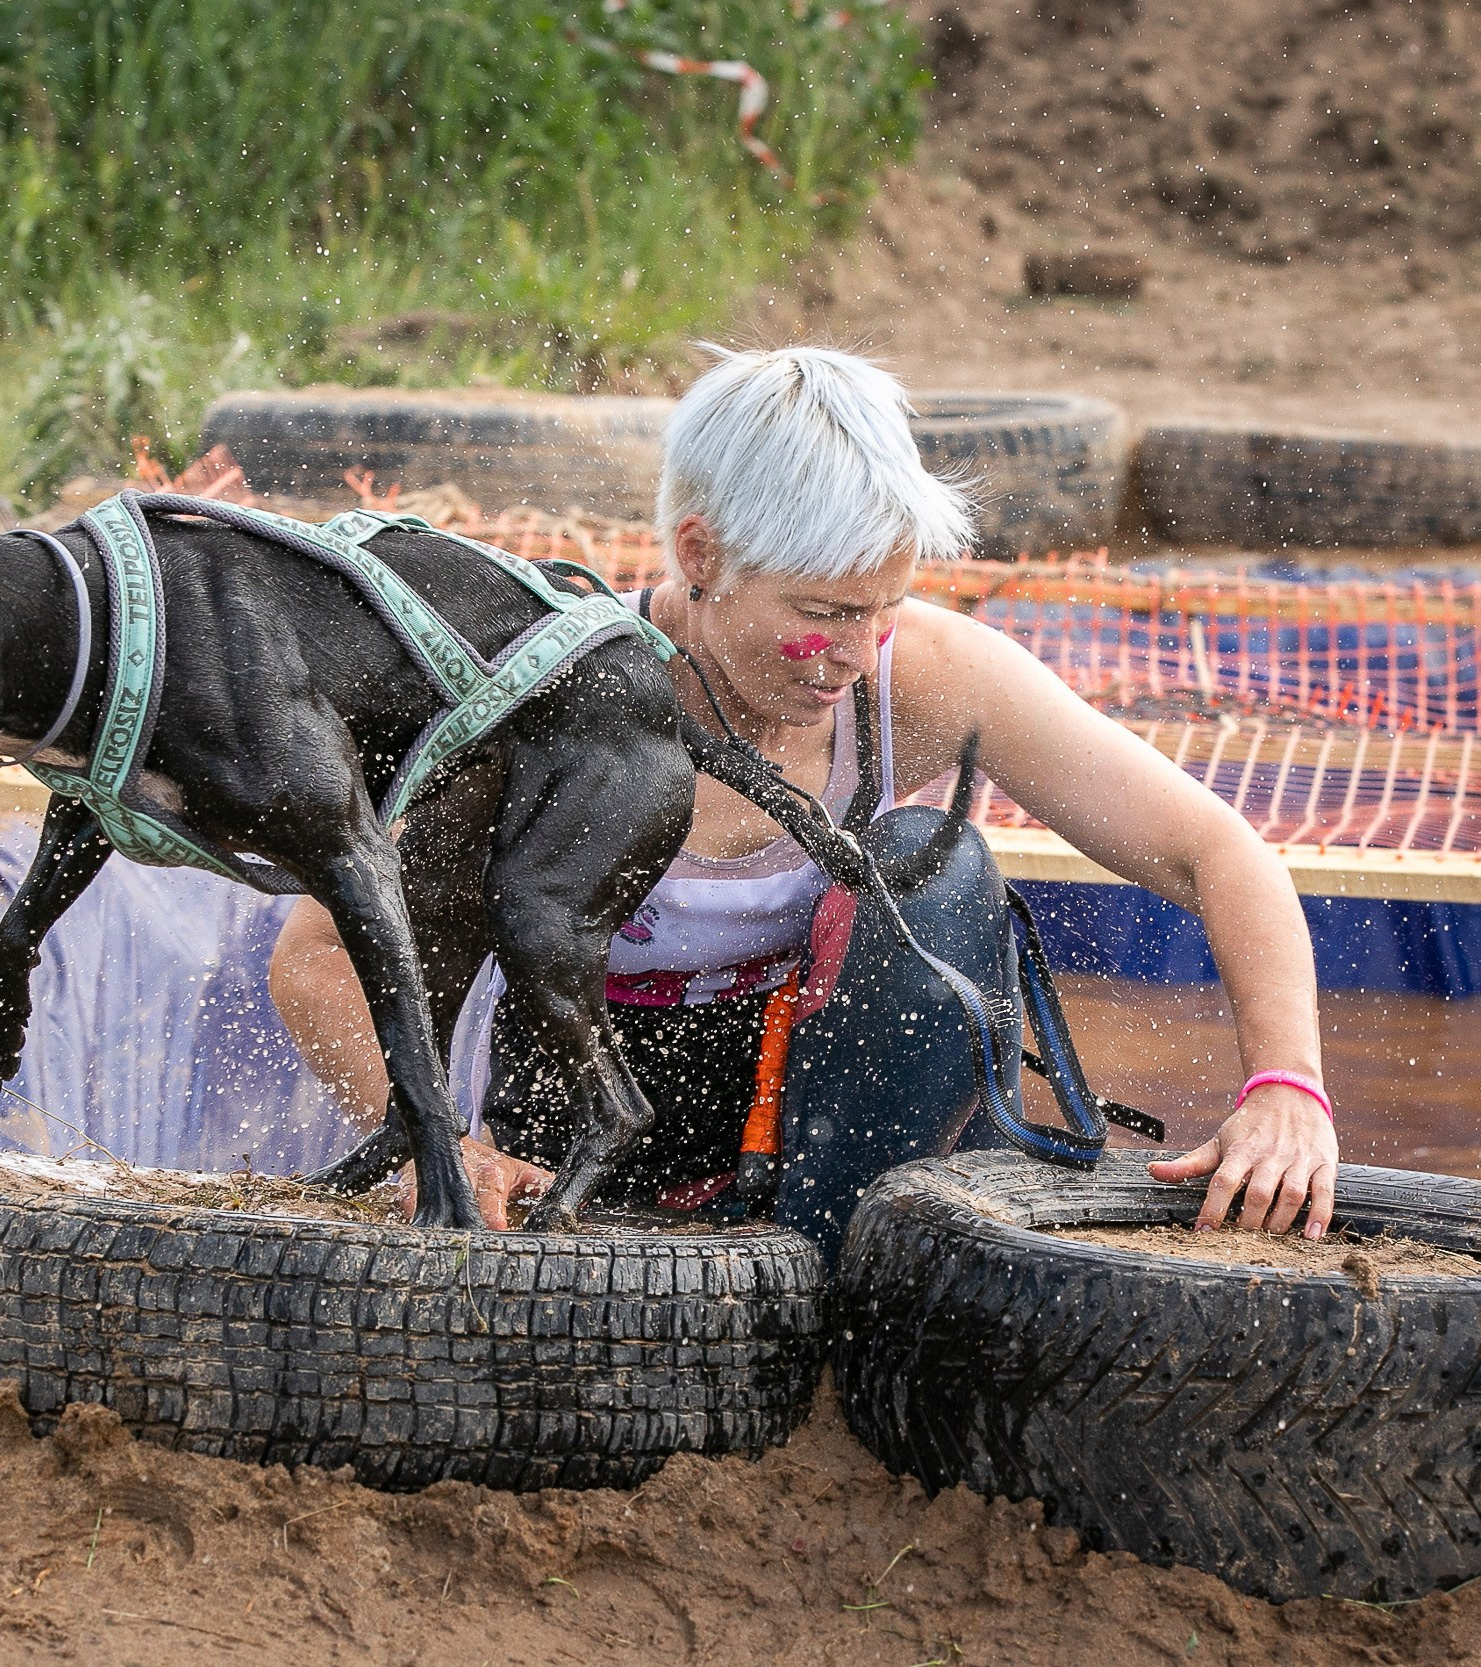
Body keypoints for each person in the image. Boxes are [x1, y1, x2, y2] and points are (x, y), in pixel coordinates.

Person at [269, 346, 1338, 1244]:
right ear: (700, 553)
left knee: (937, 864)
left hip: (851, 1108)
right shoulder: (536, 703)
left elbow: (1216, 851)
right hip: (596, 1111)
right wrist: (428, 1143)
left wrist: (1284, 1087)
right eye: (821, 611)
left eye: (883, 608)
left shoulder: (923, 674)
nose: (851, 655)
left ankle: (863, 1255)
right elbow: (314, 955)